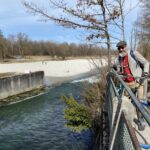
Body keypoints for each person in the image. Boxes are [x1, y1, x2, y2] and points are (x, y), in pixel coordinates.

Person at [113, 41, 149, 130]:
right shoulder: (119, 58)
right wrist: (115, 69)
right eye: (119, 48)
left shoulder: (133, 53)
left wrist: (145, 73)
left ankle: (141, 121)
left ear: (126, 46)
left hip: (138, 82)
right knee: (126, 103)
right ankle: (127, 122)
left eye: (122, 47)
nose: (121, 49)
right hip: (127, 85)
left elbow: (146, 63)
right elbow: (116, 68)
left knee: (140, 103)